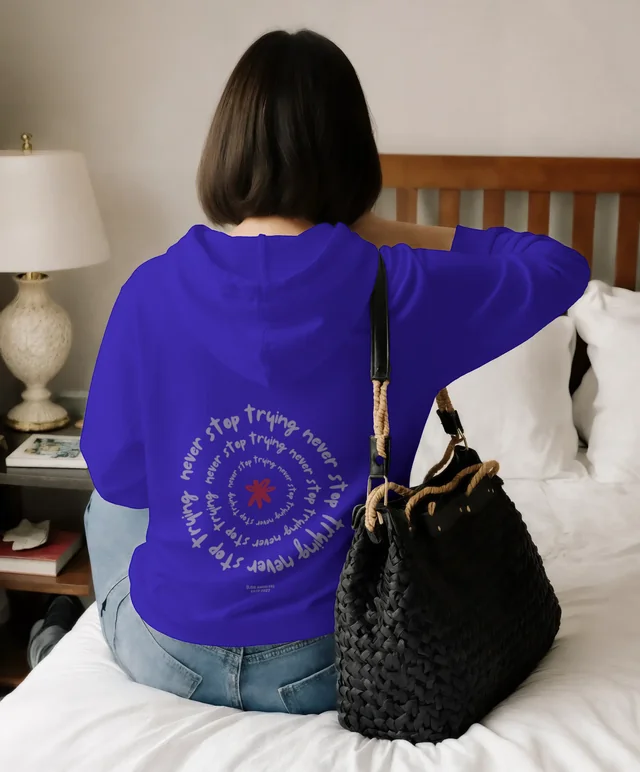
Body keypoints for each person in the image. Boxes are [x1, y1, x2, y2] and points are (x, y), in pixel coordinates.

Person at [81, 29, 590, 715]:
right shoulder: (405, 285)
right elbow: (560, 267)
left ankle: (58, 629)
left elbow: (121, 478)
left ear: (226, 144)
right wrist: (381, 229)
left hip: (171, 656)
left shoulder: (149, 289)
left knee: (103, 508)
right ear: (352, 154)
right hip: (334, 658)